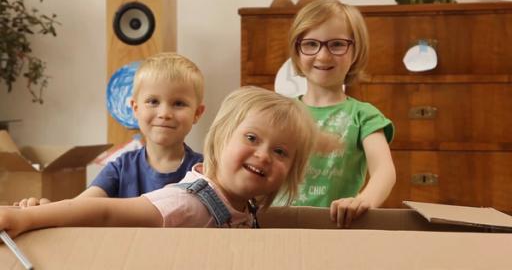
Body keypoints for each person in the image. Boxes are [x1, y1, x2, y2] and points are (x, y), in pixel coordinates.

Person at [0, 86, 317, 237]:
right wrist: (30, 219)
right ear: (220, 138)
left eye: (281, 152)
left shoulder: (242, 203)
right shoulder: (188, 203)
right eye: (251, 138)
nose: (263, 154)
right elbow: (106, 212)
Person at [15, 52, 205, 207]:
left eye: (178, 103)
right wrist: (44, 211)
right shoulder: (121, 167)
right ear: (135, 109)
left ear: (197, 113)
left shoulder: (205, 170)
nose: (164, 113)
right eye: (153, 101)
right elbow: (79, 208)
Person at [284, 0, 396, 227]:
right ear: (297, 50)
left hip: (338, 227)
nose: (323, 56)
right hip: (278, 224)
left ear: (355, 50)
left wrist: (363, 201)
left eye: (336, 45)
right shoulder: (281, 112)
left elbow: (384, 170)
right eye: (311, 44)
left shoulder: (364, 115)